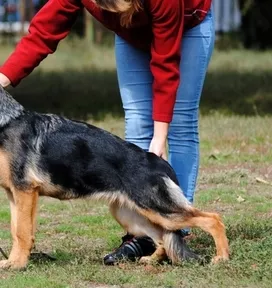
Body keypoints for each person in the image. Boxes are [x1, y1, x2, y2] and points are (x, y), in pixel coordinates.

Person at [0, 0, 215, 265]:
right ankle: (143, 235)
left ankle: (177, 225)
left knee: (180, 123)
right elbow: (44, 31)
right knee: (136, 120)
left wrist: (159, 138)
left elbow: (165, 65)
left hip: (186, 24)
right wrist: (3, 78)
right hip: (129, 33)